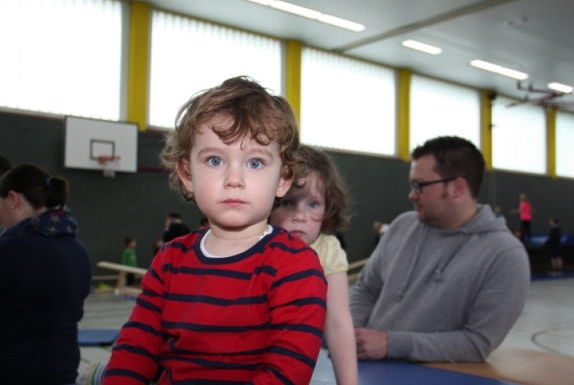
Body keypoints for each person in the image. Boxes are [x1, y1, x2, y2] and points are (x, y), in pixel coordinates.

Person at [102, 76, 327, 384]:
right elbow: (135, 348)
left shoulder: (295, 266)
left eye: (255, 163)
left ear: (283, 179)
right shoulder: (170, 260)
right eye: (215, 160)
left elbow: (286, 374)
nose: (234, 179)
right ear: (187, 174)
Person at [350, 136, 530, 362]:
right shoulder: (401, 226)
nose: (412, 194)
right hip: (367, 367)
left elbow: (477, 343)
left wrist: (390, 344)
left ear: (457, 187)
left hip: (434, 374)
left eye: (420, 185)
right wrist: (351, 335)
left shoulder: (505, 255)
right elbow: (367, 289)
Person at [270, 145, 358, 385]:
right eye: (288, 203)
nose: (300, 216)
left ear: (328, 207)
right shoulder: (256, 243)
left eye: (313, 204)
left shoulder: (327, 250)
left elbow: (338, 324)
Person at [0, 164, 91, 383]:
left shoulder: (14, 247)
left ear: (13, 199)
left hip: (17, 374)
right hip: (63, 371)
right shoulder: (78, 249)